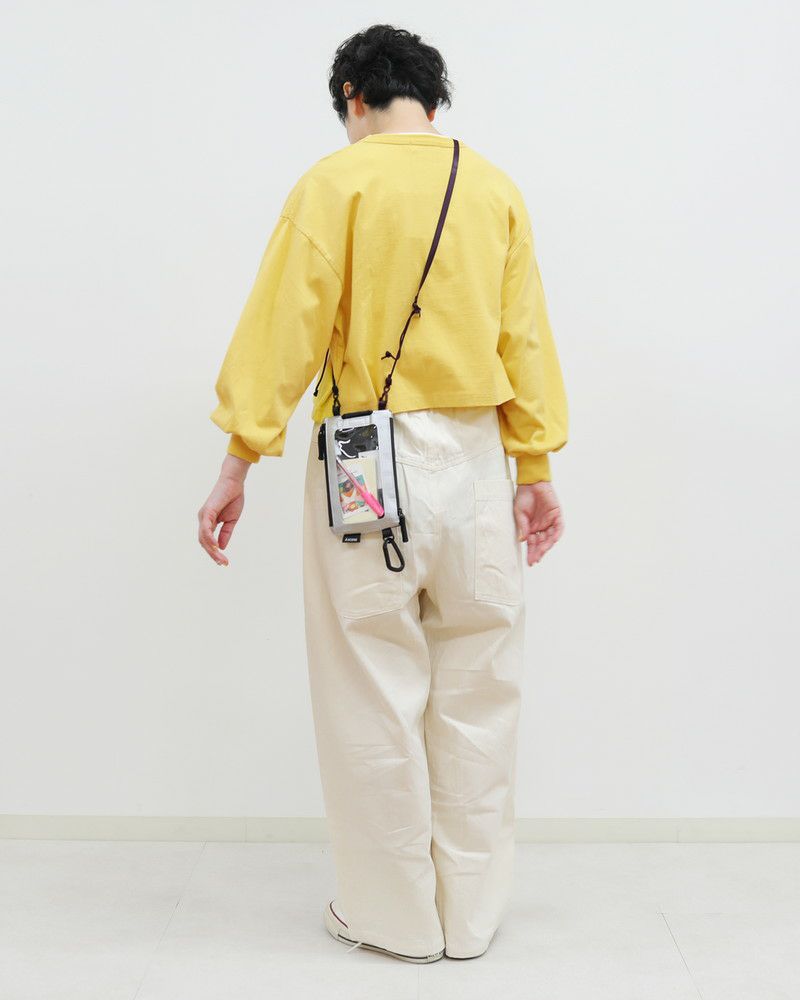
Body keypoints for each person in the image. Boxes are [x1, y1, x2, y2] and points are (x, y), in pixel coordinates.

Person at [198, 24, 568, 963]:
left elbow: (283, 327)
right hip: (479, 458)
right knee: (481, 688)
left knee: (370, 688)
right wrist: (534, 469)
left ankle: (393, 917)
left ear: (354, 97)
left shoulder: (335, 185)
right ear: (433, 101)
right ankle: (471, 917)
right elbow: (525, 339)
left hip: (366, 458)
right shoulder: (493, 189)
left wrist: (241, 458)